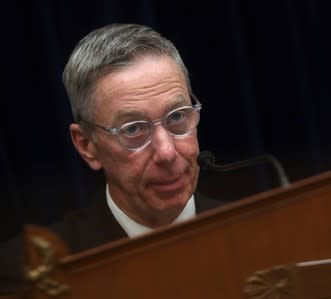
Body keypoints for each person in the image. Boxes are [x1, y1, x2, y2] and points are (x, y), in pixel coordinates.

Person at [0, 23, 224, 296]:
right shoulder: (30, 274)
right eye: (132, 129)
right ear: (87, 146)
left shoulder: (260, 230)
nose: (166, 153)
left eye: (177, 117)